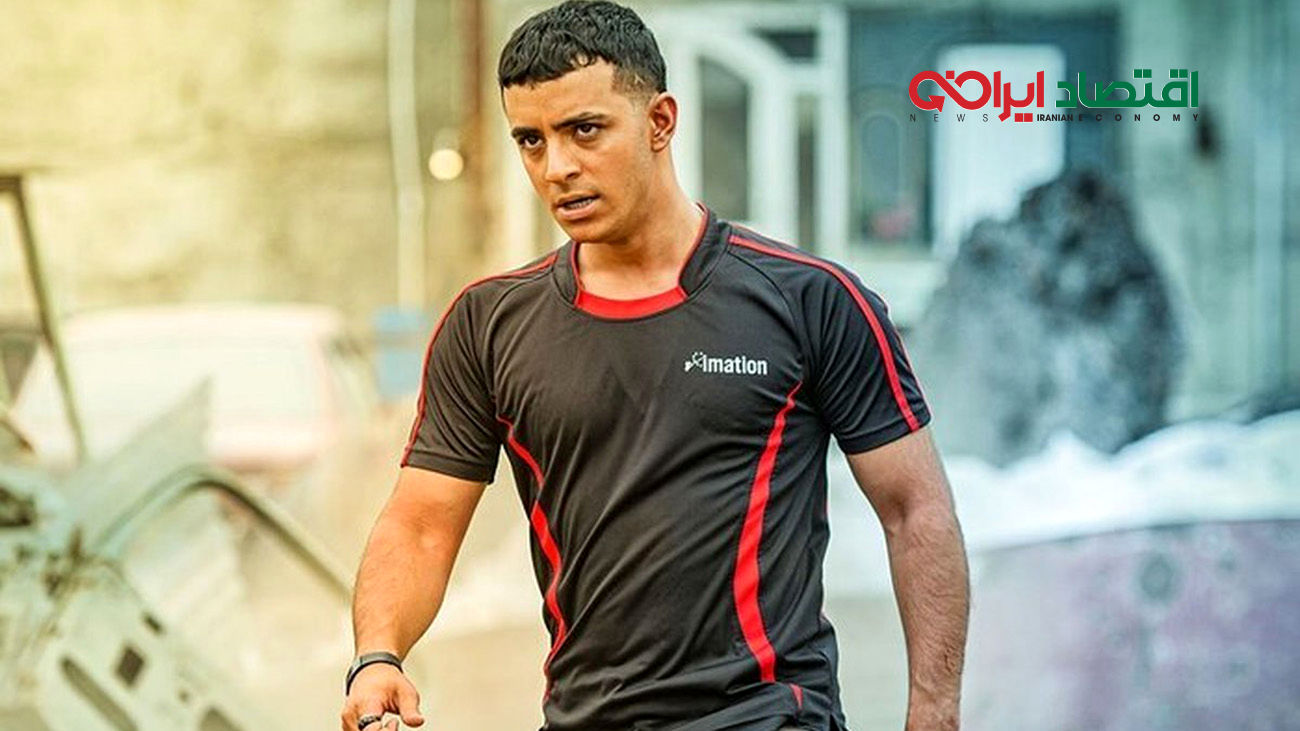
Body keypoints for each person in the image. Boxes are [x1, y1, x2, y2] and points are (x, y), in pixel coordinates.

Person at [340, 1, 968, 729]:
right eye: (532, 140)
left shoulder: (810, 301)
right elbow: (421, 523)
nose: (557, 167)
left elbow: (915, 511)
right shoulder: (488, 325)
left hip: (767, 715)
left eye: (584, 130)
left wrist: (934, 710)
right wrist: (377, 655)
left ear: (661, 122)